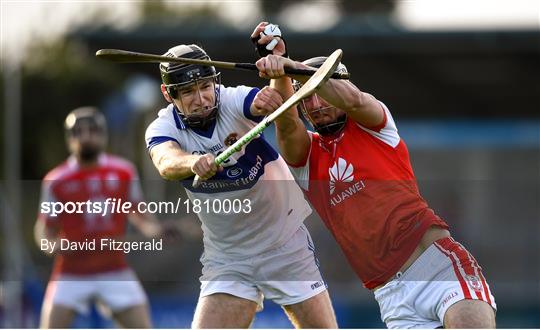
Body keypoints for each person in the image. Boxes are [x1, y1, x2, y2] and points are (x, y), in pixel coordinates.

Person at [251, 22, 497, 328]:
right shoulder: (307, 158)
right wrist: (279, 68)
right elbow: (287, 124)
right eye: (305, 99)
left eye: (319, 93)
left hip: (436, 266)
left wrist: (289, 64)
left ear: (341, 85)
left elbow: (352, 100)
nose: (314, 105)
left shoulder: (375, 124)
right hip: (390, 296)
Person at [144, 44, 337, 328]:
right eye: (187, 92)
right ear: (168, 95)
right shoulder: (163, 128)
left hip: (284, 243)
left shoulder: (234, 100)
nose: (201, 99)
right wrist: (191, 163)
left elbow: (264, 103)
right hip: (228, 259)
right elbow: (165, 161)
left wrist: (276, 79)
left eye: (205, 86)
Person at [35, 107, 172, 328]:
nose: (86, 137)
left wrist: (158, 231)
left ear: (103, 134)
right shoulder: (56, 180)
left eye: (92, 130)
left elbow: (139, 214)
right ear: (69, 139)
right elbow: (44, 229)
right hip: (71, 272)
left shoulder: (124, 172)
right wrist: (51, 245)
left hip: (114, 269)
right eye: (78, 132)